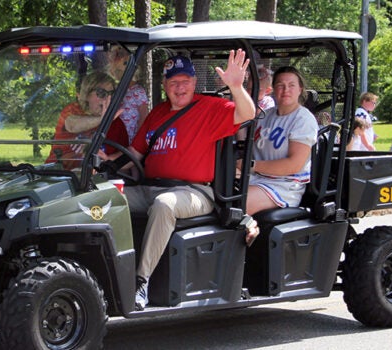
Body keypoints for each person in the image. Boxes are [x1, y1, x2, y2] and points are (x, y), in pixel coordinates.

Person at [103, 50, 257, 311]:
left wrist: (236, 87)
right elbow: (136, 154)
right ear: (164, 86)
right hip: (151, 186)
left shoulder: (210, 109)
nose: (179, 87)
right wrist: (103, 161)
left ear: (194, 83)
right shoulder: (157, 113)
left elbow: (247, 113)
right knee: (103, 200)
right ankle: (106, 273)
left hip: (193, 192)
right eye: (173, 82)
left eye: (185, 81)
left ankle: (142, 281)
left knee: (165, 204)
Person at [245, 66, 318, 222]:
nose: (286, 90)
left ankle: (249, 229)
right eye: (280, 85)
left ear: (300, 89)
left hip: (284, 186)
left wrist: (251, 165)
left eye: (291, 85)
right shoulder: (266, 115)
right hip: (255, 178)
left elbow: (293, 165)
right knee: (217, 194)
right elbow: (246, 144)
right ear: (273, 89)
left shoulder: (303, 119)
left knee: (237, 203)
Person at [45, 71, 128, 169]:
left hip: (93, 179)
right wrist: (103, 119)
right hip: (59, 174)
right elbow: (72, 125)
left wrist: (107, 160)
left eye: (111, 93)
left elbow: (126, 155)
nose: (107, 98)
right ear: (87, 94)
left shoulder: (117, 123)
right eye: (101, 93)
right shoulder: (73, 110)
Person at [108, 45, 149, 143]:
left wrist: (137, 143)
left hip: (130, 142)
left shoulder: (137, 91)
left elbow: (144, 118)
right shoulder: (115, 90)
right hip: (115, 139)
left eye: (119, 70)